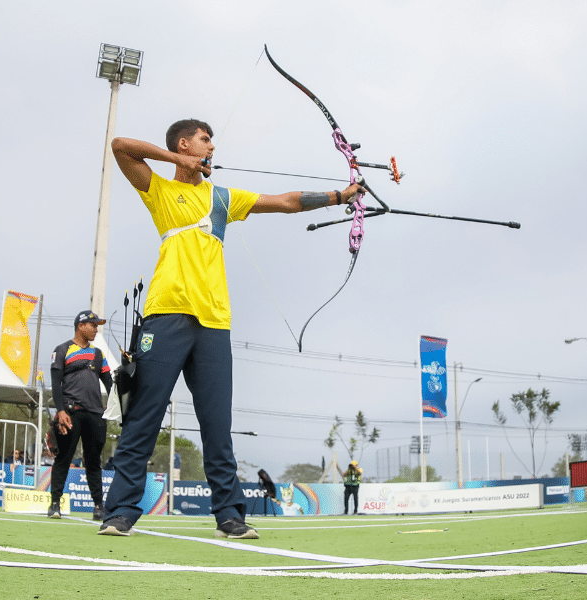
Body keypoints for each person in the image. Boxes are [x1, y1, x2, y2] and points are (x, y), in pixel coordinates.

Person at [99, 119, 362, 538]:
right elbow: (120, 146)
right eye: (205, 140)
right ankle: (121, 511)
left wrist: (338, 195)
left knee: (217, 426)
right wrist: (177, 160)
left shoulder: (221, 198)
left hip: (214, 323)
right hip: (165, 315)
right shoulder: (161, 190)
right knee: (144, 418)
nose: (211, 146)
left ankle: (228, 515)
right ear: (185, 143)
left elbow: (286, 201)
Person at [47, 310, 113, 521]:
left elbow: (110, 385)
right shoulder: (62, 350)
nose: (95, 329)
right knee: (64, 458)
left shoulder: (98, 354)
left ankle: (98, 507)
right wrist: (60, 411)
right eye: (93, 325)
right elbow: (55, 385)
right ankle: (55, 504)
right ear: (81, 326)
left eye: (97, 325)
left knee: (93, 462)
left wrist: (117, 407)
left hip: (95, 414)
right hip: (71, 413)